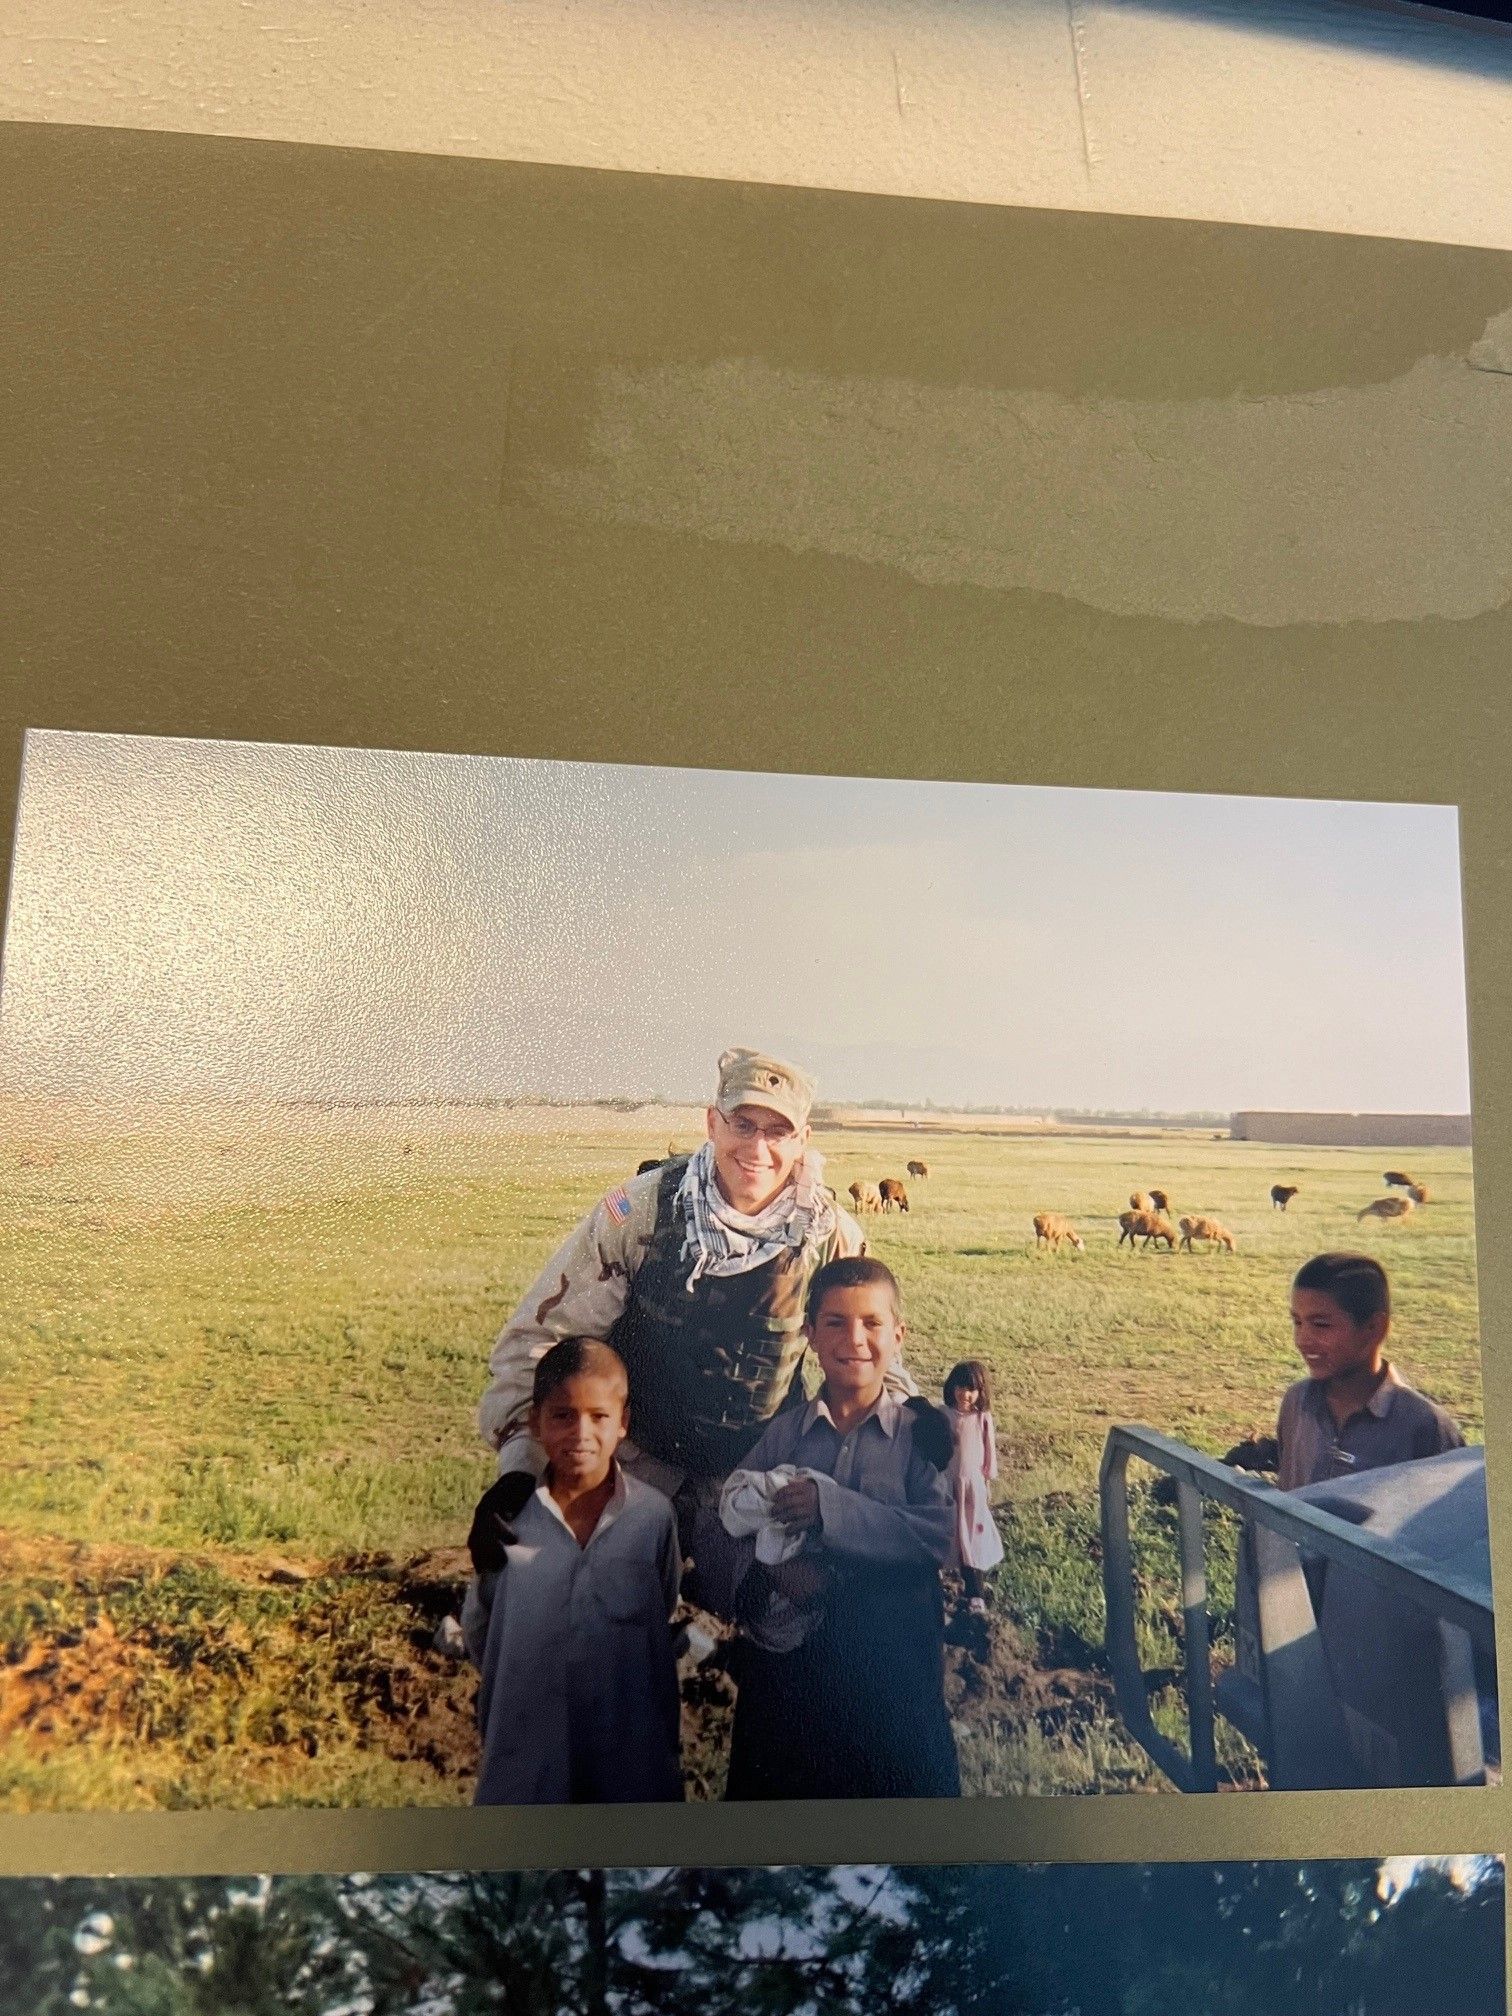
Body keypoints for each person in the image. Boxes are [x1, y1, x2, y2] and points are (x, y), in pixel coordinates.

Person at [470, 1047, 924, 1580]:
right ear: (712, 1122)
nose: (757, 1148)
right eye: (743, 1124)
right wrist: (523, 1470)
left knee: (801, 1616)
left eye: (777, 1132)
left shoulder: (828, 1237)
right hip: (632, 1462)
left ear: (802, 1141)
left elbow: (875, 1364)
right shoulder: (640, 1212)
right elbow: (542, 1341)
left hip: (757, 1478)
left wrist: (911, 1448)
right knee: (544, 1591)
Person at [704, 1255, 960, 1801]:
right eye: (836, 1323)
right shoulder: (787, 1434)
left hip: (891, 1669)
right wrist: (773, 1572)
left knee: (899, 1826)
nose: (855, 1339)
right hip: (793, 1670)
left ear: (898, 1335)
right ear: (810, 1336)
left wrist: (831, 1509)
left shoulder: (923, 1437)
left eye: (871, 1323)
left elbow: (939, 1533)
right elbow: (729, 1516)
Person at [463, 1337, 683, 1805]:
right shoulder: (508, 1521)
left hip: (629, 1764)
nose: (581, 1433)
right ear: (535, 1423)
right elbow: (483, 1631)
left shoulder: (652, 1516)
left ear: (622, 1423)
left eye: (599, 1416)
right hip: (526, 1762)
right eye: (562, 1415)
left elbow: (659, 1609)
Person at [1278, 1252, 1463, 1490]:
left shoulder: (1424, 1426)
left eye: (1321, 1325)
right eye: (1297, 1322)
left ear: (1375, 1328)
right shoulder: (1297, 1402)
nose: (1302, 1340)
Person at [943, 1359, 1003, 1616]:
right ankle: (938, 1586)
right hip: (947, 1486)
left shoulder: (982, 1419)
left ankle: (975, 1593)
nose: (965, 1395)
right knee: (947, 1535)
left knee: (972, 1541)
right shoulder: (943, 1415)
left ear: (981, 1392)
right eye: (960, 1387)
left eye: (971, 1390)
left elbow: (988, 1453)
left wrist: (986, 1481)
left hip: (972, 1491)